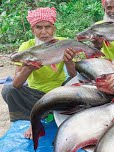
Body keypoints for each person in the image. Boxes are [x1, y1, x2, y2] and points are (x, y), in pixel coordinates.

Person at [1, 7, 77, 139]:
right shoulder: (26, 47)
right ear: (33, 30)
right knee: (8, 90)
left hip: (60, 91)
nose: (44, 32)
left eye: (47, 27)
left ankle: (46, 112)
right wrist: (28, 68)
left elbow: (74, 76)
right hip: (35, 96)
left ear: (54, 28)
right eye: (39, 27)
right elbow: (16, 83)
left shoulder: (63, 43)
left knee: (80, 86)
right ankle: (34, 119)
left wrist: (69, 61)